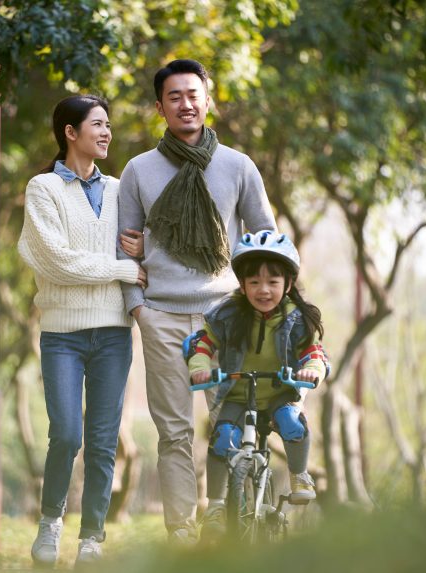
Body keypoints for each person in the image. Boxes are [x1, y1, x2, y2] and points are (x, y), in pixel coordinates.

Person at [117, 59, 276, 544]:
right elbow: (121, 249)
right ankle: (182, 533)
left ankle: (223, 517)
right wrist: (138, 308)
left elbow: (264, 238)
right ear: (159, 107)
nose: (185, 104)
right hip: (160, 314)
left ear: (208, 100)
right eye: (174, 97)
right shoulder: (139, 170)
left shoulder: (238, 166)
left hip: (223, 316)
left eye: (193, 94)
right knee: (174, 432)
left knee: (227, 423)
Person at [18, 94, 146, 567]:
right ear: (70, 132)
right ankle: (51, 524)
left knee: (102, 439)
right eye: (97, 124)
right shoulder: (43, 189)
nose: (107, 132)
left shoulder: (120, 190)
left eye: (108, 125)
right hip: (62, 334)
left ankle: (92, 538)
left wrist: (141, 250)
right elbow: (55, 262)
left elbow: (141, 246)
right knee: (67, 434)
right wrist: (122, 269)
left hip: (113, 332)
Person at [185, 230, 330, 540]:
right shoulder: (228, 314)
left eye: (273, 282)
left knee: (293, 422)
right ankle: (216, 505)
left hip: (280, 395)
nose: (263, 290)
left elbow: (314, 354)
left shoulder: (297, 320)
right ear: (242, 284)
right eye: (254, 282)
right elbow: (201, 344)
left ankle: (299, 474)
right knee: (222, 438)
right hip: (238, 395)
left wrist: (311, 371)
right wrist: (199, 368)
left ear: (288, 285)